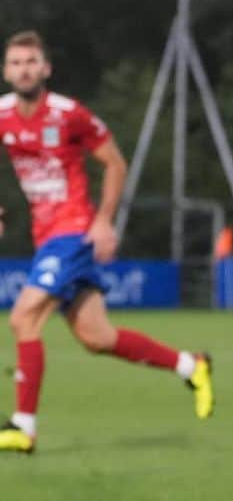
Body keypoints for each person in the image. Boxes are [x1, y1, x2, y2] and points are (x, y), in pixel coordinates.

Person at [0, 31, 214, 454]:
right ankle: (192, 365)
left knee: (24, 318)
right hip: (47, 236)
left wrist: (103, 221)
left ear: (45, 69)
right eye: (16, 63)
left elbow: (114, 162)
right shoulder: (4, 114)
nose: (24, 69)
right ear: (6, 71)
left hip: (74, 231)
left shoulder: (68, 114)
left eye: (31, 62)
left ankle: (23, 426)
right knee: (96, 337)